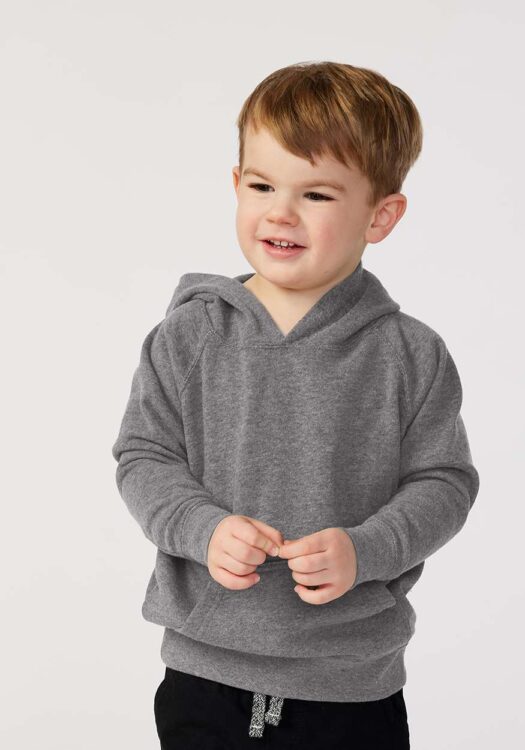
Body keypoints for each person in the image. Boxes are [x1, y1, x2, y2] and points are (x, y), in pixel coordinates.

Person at [111, 60, 480, 749]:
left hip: (351, 684)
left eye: (315, 194)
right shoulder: (187, 336)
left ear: (381, 216)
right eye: (261, 185)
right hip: (204, 673)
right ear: (235, 185)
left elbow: (445, 483)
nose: (280, 212)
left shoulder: (411, 354)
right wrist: (202, 529)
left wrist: (367, 549)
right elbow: (144, 458)